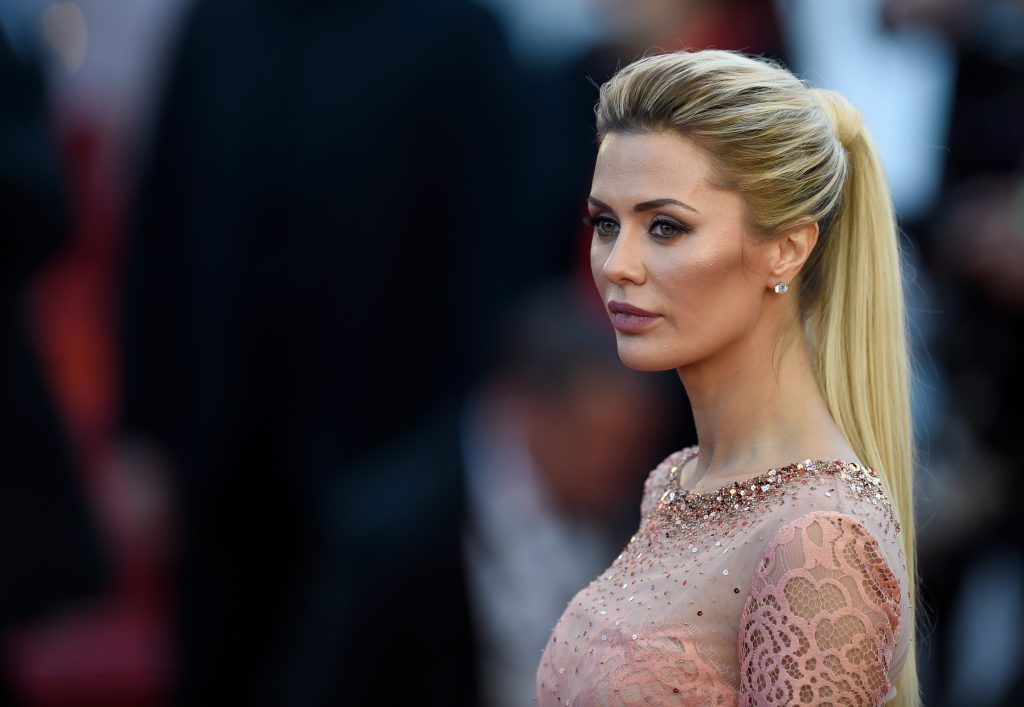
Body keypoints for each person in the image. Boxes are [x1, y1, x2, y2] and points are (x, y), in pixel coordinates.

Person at [535, 49, 919, 706]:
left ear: (787, 247)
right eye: (606, 222)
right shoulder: (677, 481)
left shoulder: (820, 542)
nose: (618, 264)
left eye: (665, 226)